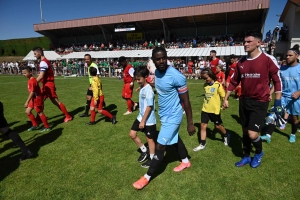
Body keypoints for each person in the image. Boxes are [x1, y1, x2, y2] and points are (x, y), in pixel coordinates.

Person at [133, 47, 196, 190]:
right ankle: (186, 161)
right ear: (153, 60)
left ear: (167, 57)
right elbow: (160, 86)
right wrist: (146, 85)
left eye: (163, 58)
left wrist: (190, 123)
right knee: (174, 139)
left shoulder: (176, 75)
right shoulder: (156, 73)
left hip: (174, 115)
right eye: (158, 59)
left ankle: (146, 177)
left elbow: (186, 101)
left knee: (161, 145)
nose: (161, 61)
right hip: (163, 115)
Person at [222, 30, 282, 168]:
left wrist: (277, 101)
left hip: (260, 101)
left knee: (252, 133)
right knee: (244, 131)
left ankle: (259, 153)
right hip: (244, 101)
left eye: (249, 41)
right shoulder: (241, 62)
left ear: (258, 43)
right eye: (244, 42)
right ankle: (246, 156)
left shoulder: (268, 59)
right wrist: (226, 98)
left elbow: (277, 81)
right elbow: (233, 82)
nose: (245, 44)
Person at [261, 44, 300, 143]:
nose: (287, 57)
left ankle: (293, 134)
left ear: (297, 56)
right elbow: (277, 84)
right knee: (275, 114)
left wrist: (299, 92)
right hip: (282, 97)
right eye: (287, 55)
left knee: (295, 118)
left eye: (290, 55)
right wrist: (270, 93)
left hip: (296, 99)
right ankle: (268, 135)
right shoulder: (282, 69)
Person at [33, 47, 72, 123]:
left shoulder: (43, 62)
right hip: (46, 84)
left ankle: (68, 116)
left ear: (40, 53)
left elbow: (41, 76)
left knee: (55, 101)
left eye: (35, 54)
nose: (34, 55)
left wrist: (33, 83)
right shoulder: (45, 61)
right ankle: (38, 119)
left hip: (48, 84)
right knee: (40, 101)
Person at [194, 68, 229, 151]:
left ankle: (226, 134)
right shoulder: (205, 86)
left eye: (206, 78)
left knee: (218, 126)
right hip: (205, 109)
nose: (205, 80)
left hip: (215, 110)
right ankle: (202, 144)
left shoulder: (218, 85)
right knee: (203, 126)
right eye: (203, 79)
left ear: (211, 76)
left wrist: (225, 102)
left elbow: (223, 96)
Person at [129, 66, 157, 168]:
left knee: (149, 139)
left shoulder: (149, 90)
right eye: (136, 79)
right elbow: (143, 87)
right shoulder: (143, 87)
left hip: (148, 119)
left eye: (139, 79)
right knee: (132, 134)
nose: (137, 81)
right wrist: (140, 87)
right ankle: (145, 151)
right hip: (141, 116)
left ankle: (152, 158)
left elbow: (149, 106)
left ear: (146, 77)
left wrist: (143, 121)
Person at [22, 67, 50, 132]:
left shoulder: (32, 81)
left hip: (37, 99)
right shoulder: (30, 80)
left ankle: (47, 126)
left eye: (25, 73)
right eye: (23, 73)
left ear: (30, 72)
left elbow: (32, 92)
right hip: (33, 99)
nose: (24, 75)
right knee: (27, 111)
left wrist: (27, 101)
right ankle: (35, 125)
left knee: (40, 112)